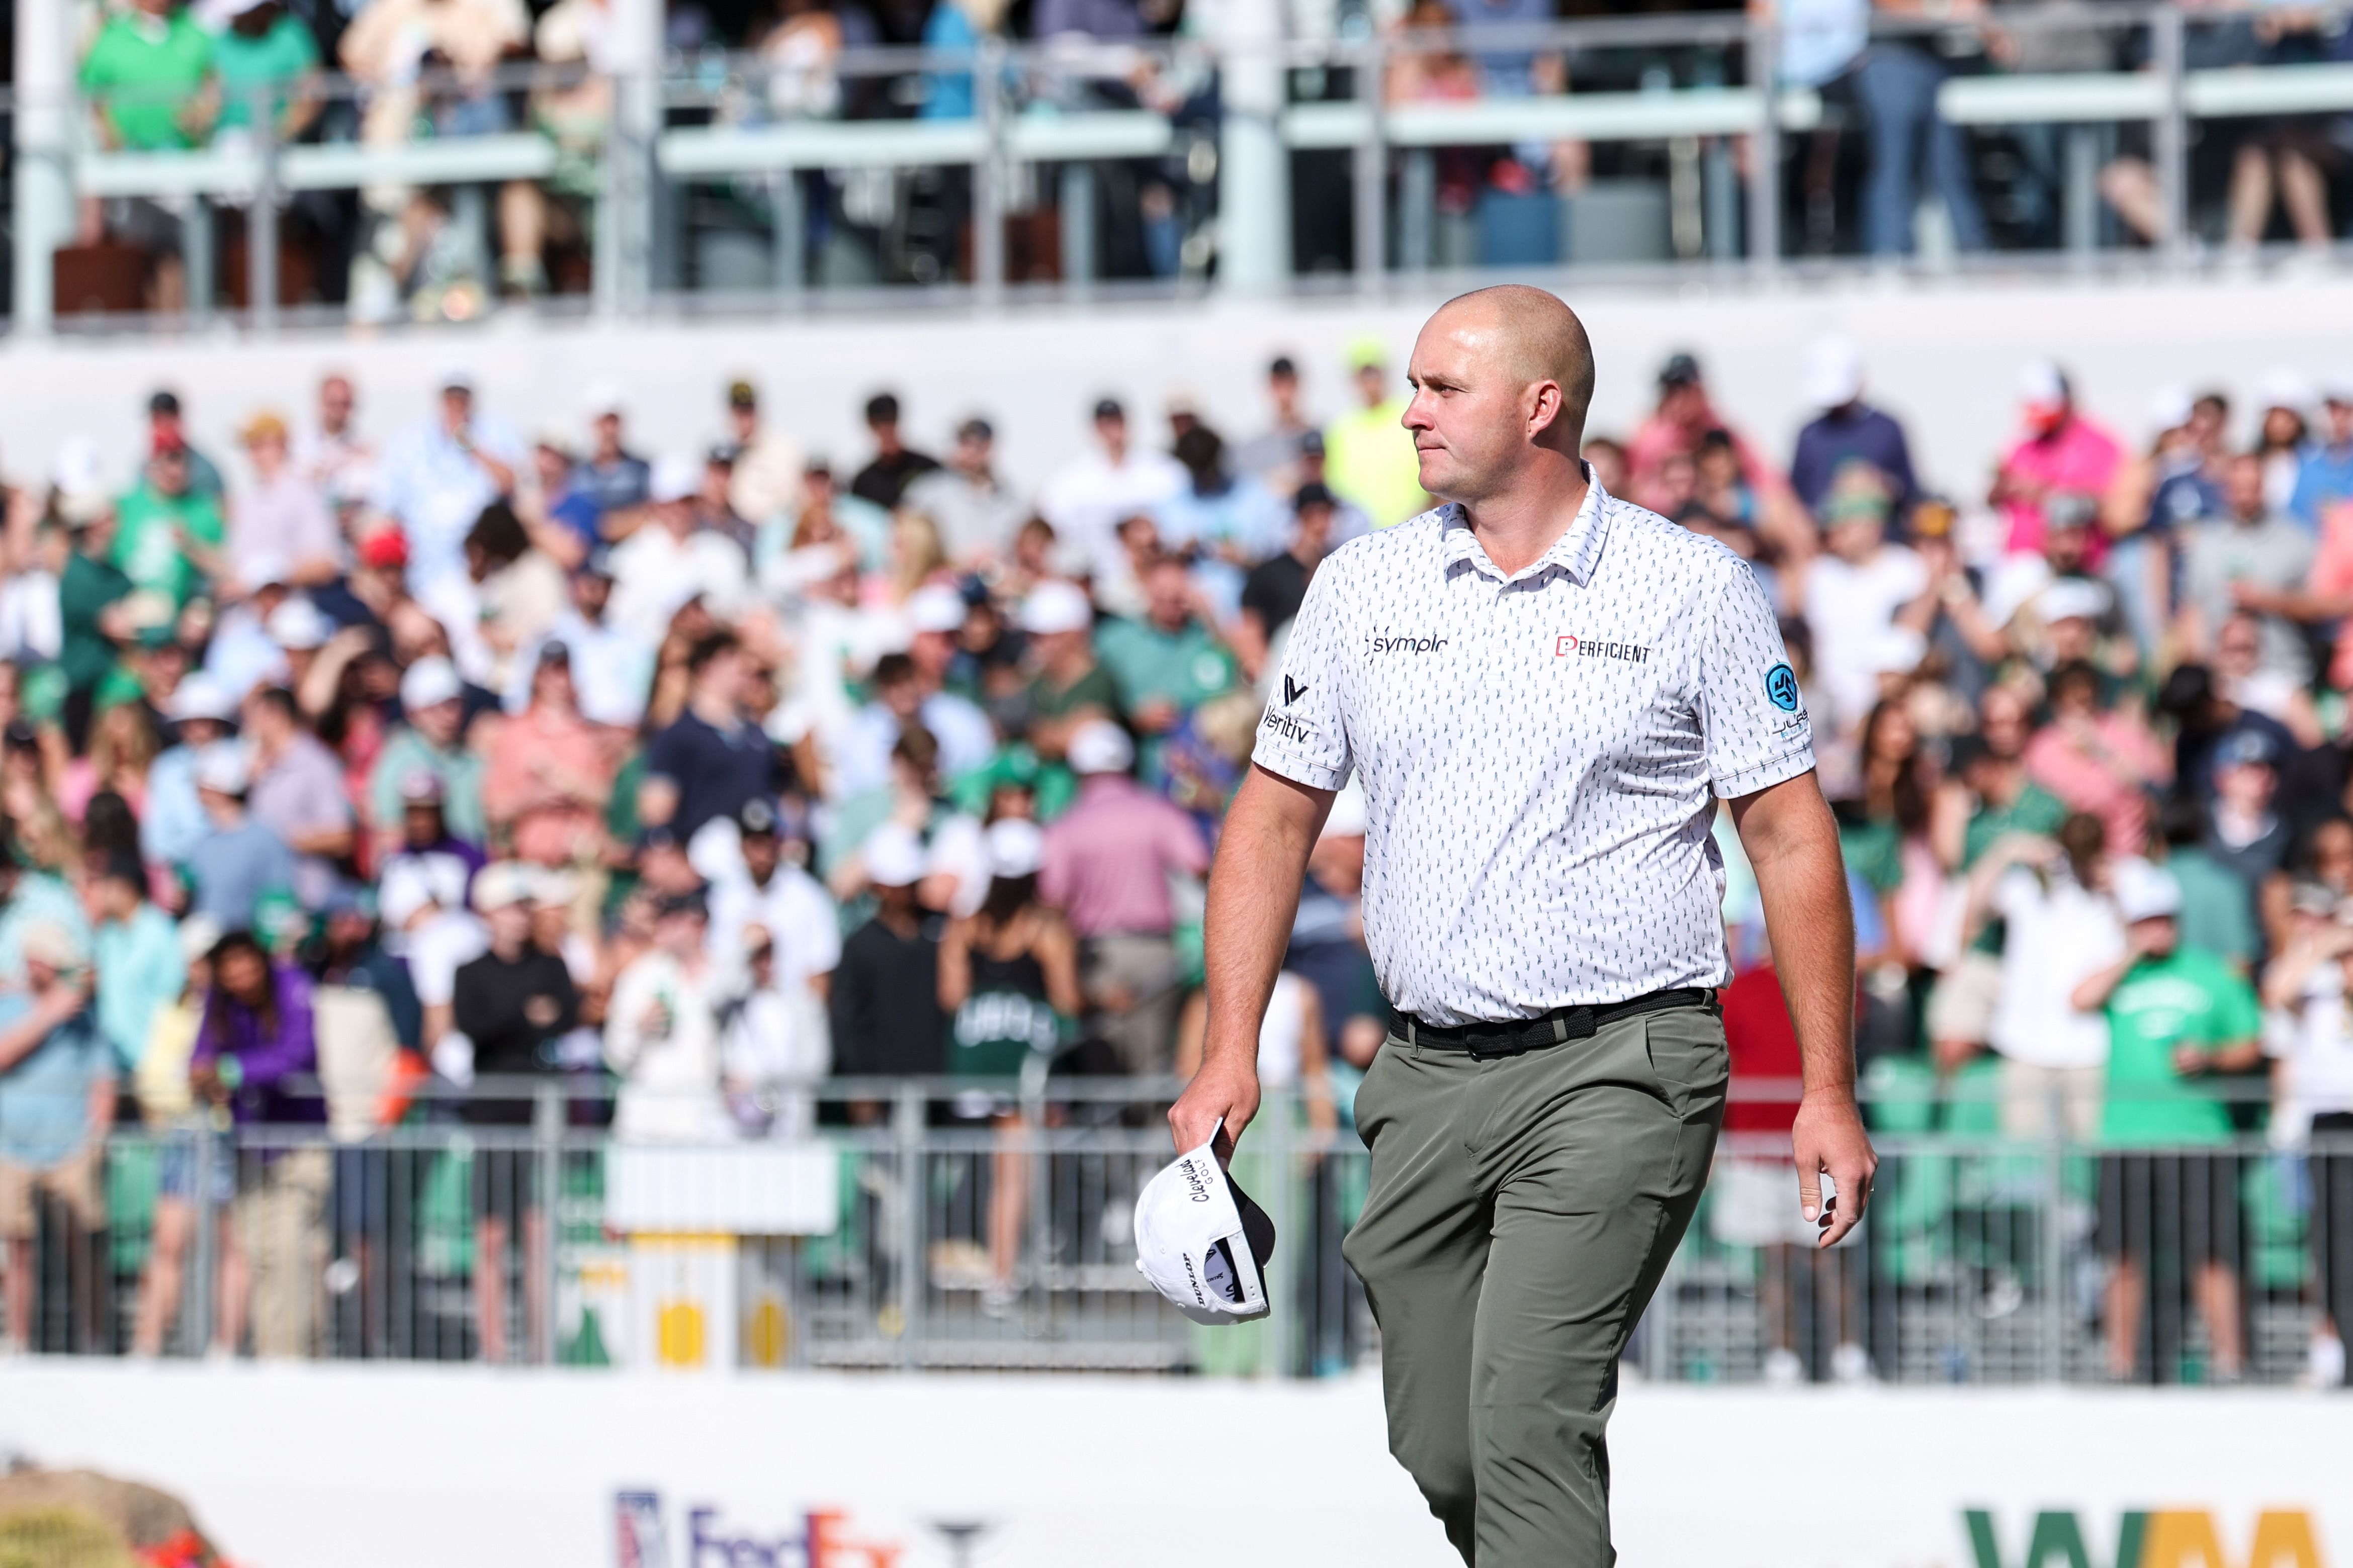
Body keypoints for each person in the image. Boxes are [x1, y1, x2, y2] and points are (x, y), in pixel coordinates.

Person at [1171, 287, 1870, 1565]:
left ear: (1540, 406)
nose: (1410, 408)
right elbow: (1272, 821)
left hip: (1624, 1065)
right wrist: (1227, 1047)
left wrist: (1826, 1085)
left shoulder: (1690, 587)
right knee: (1441, 1438)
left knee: (1528, 1418)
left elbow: (1785, 832)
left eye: (1443, 387)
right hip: (1425, 1070)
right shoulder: (1357, 585)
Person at [2070, 861, 2260, 1382]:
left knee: (2212, 1254)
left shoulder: (2211, 972)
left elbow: (2249, 1041)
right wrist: (2130, 952)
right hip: (2125, 1138)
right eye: (2145, 918)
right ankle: (2120, 1364)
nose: (2157, 927)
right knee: (2123, 1255)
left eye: (2163, 917)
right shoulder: (2119, 973)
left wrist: (2211, 1058)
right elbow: (2078, 999)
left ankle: (2230, 1360)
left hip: (2198, 1137)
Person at [937, 817, 1082, 1304]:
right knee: (1017, 1170)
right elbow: (1067, 1000)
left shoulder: (965, 926)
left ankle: (1008, 1265)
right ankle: (1008, 1270)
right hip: (1026, 1061)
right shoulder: (1045, 928)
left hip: (981, 1059)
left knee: (1009, 1169)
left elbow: (951, 994)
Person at [450, 862, 580, 1362]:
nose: (521, 916)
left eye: (526, 905)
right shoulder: (471, 971)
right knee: (491, 1232)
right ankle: (494, 1345)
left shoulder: (550, 965)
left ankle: (541, 1343)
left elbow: (563, 1016)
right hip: (490, 1113)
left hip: (539, 1114)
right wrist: (526, 1014)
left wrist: (520, 1017)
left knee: (537, 1229)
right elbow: (474, 1026)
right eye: (511, 906)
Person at [1039, 721, 1207, 1077]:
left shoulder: (1065, 825)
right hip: (1155, 951)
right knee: (1154, 1060)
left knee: (1104, 1064)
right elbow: (1198, 864)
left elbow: (1052, 898)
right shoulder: (1158, 812)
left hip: (1095, 954)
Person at [193, 928, 327, 1358]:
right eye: (230, 973)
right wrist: (203, 1074)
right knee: (260, 1255)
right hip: (251, 1146)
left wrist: (232, 1071)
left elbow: (296, 1056)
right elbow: (202, 1054)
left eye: (247, 968)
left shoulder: (293, 985)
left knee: (292, 1256)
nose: (242, 980)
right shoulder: (220, 1002)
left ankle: (294, 1360)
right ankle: (276, 1357)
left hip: (299, 1145)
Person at [0, 924, 108, 1355]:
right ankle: (20, 1342)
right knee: (18, 1247)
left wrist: (94, 1139)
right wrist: (47, 1015)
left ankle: (96, 1342)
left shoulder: (86, 1015)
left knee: (82, 1243)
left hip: (71, 1149)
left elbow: (104, 1078)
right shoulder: (10, 1005)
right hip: (11, 1148)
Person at [2259, 899, 2353, 1388]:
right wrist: (2329, 943)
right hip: (2328, 1119)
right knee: (2332, 1242)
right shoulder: (2317, 984)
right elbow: (2275, 989)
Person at [2180, 452, 2320, 687]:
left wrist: (2268, 601)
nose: (2244, 497)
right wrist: (2202, 667)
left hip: (2282, 673)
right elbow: (2193, 611)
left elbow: (2318, 608)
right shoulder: (2205, 542)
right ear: (2225, 489)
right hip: (2221, 677)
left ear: (2264, 487)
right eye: (2238, 488)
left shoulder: (2298, 541)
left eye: (2252, 488)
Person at [604, 889, 731, 1142]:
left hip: (706, 1125)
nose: (661, 927)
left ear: (698, 924)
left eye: (672, 919)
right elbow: (615, 1055)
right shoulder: (640, 977)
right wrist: (639, 1030)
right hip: (646, 1126)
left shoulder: (729, 977)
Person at [641, 631, 781, 846]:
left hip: (756, 857)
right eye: (731, 658)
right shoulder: (678, 735)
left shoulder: (758, 736)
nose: (743, 670)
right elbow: (656, 811)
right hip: (702, 855)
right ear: (705, 668)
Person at [829, 824, 946, 1076]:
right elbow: (847, 1022)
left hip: (941, 1084)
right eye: (902, 883)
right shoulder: (859, 946)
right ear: (879, 887)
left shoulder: (945, 931)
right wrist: (860, 1083)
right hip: (883, 1084)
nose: (911, 889)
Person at [1037, 398, 1187, 580]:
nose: (1112, 429)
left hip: (1153, 576)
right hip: (1096, 578)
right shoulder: (1070, 479)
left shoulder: (1163, 471)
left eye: (1117, 420)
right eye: (1105, 423)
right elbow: (1051, 527)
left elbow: (1181, 529)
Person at [1991, 362, 2124, 559]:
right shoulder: (2025, 444)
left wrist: (2045, 494)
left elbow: (2112, 505)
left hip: (2076, 565)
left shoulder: (2098, 444)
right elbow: (1996, 496)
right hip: (2019, 561)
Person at [369, 656, 487, 859]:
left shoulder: (474, 762)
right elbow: (388, 832)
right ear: (414, 712)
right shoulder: (397, 759)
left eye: (455, 704)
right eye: (440, 706)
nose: (451, 715)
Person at [1788, 339, 1919, 520]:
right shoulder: (1809, 435)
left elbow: (1912, 493)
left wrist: (1880, 484)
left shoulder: (1887, 429)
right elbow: (1796, 499)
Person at [185, 742, 299, 929]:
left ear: (218, 790)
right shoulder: (201, 842)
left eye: (202, 788)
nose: (197, 795)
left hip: (246, 949)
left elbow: (279, 902)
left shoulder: (265, 839)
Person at [1321, 337, 1427, 530]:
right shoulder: (1339, 429)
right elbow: (1334, 488)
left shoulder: (1409, 418)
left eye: (1374, 372)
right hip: (1359, 539)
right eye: (1364, 374)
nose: (1370, 381)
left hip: (1414, 529)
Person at [903, 418, 1027, 568]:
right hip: (945, 581)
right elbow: (909, 537)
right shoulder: (929, 492)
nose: (971, 452)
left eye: (979, 446)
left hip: (994, 583)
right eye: (965, 443)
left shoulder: (1010, 502)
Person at [850, 392, 941, 509]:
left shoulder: (928, 468)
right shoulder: (864, 482)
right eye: (878, 422)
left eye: (890, 419)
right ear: (871, 426)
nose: (885, 428)